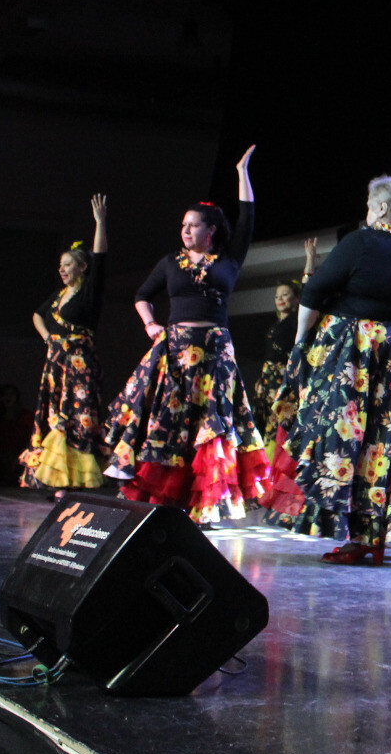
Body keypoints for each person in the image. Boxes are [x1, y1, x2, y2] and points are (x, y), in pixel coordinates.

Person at [281, 134, 391, 563]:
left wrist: (300, 343)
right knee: (387, 441)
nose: (367, 210)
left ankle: (353, 532)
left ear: (381, 209)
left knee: (349, 438)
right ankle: (375, 534)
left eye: (370, 204)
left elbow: (313, 292)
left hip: (359, 355)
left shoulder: (360, 241)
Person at [104, 148, 270, 523]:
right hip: (176, 353)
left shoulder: (229, 260)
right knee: (171, 421)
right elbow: (142, 296)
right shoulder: (170, 263)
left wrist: (242, 172)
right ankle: (164, 498)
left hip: (214, 354)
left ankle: (204, 507)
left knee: (209, 424)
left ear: (211, 231)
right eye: (183, 225)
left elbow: (248, 217)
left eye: (192, 225)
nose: (185, 230)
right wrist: (150, 323)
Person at [19, 194, 109, 494]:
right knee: (56, 415)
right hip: (56, 365)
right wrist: (48, 338)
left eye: (68, 264)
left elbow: (100, 258)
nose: (62, 269)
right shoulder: (58, 296)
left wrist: (100, 223)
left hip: (80, 366)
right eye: (61, 265)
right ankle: (58, 479)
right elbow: (36, 315)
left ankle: (76, 479)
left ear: (82, 267)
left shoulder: (88, 292)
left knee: (78, 415)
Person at [252, 240, 317, 527]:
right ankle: (264, 487)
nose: (280, 299)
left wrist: (309, 262)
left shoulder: (296, 321)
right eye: (277, 295)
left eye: (286, 295)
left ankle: (281, 489)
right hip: (268, 381)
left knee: (282, 431)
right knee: (265, 431)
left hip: (285, 381)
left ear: (295, 298)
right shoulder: (275, 325)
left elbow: (309, 292)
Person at [0, 384, 33, 486]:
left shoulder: (25, 415)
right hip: (1, 464)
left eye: (11, 394)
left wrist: (17, 458)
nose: (8, 397)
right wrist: (4, 458)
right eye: (5, 394)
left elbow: (30, 438)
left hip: (21, 461)